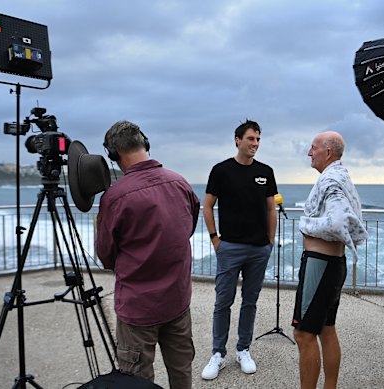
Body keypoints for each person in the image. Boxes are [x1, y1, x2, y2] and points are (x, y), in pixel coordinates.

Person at [96, 120, 200, 388]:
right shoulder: (180, 183)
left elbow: (106, 256)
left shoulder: (115, 197)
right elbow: (186, 229)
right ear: (145, 144)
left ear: (113, 153)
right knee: (182, 373)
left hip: (138, 309)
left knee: (136, 381)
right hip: (177, 300)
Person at [201, 119, 278, 380]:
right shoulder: (221, 170)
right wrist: (215, 239)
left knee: (250, 302)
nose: (255, 144)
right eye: (250, 139)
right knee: (223, 302)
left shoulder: (265, 171)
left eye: (258, 139)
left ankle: (243, 349)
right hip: (230, 247)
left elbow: (271, 208)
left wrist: (269, 243)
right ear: (237, 140)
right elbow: (207, 205)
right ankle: (218, 354)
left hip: (259, 250)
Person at [292, 131, 369, 389]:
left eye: (313, 148)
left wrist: (306, 226)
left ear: (328, 152)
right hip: (334, 264)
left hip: (319, 264)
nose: (309, 153)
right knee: (326, 328)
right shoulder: (343, 178)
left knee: (304, 334)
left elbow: (337, 224)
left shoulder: (331, 181)